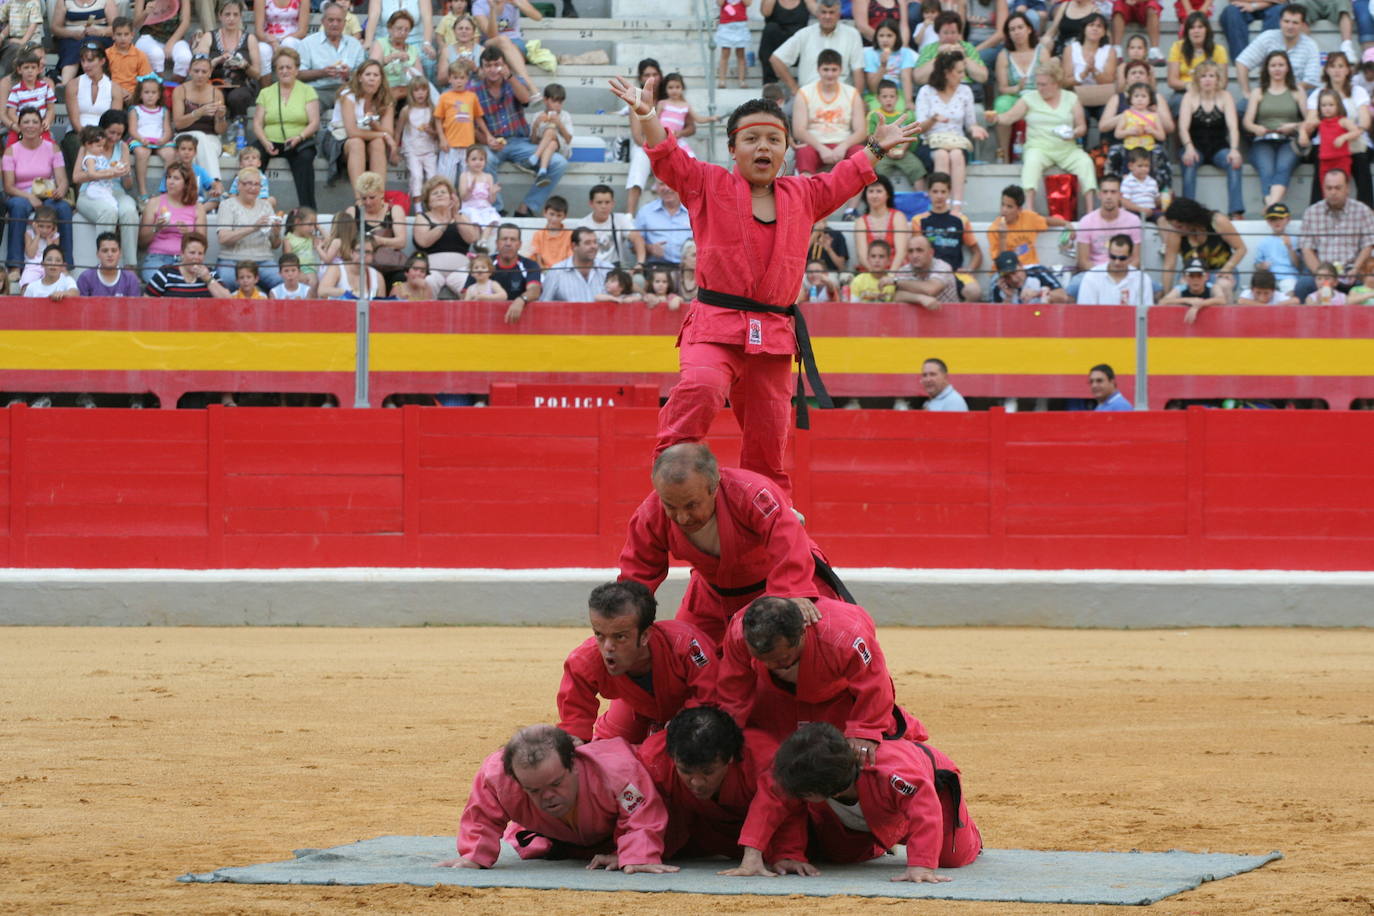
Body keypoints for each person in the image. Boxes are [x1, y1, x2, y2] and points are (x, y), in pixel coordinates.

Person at [608, 75, 921, 497]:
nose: (763, 148)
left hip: (773, 337)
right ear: (732, 149)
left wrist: (877, 148)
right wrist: (646, 114)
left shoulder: (805, 194)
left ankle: (770, 534)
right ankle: (671, 471)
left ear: (787, 150)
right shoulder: (706, 183)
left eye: (774, 140)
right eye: (751, 139)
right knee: (701, 386)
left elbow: (845, 177)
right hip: (716, 323)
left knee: (769, 451)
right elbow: (666, 155)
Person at [619, 442, 846, 646]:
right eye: (671, 506)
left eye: (691, 505)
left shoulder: (751, 493)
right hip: (713, 594)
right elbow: (637, 574)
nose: (682, 518)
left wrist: (793, 592)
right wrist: (625, 619)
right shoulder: (651, 514)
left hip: (783, 580)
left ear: (714, 486)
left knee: (820, 643)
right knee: (685, 652)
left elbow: (788, 540)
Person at [735, 723, 981, 882]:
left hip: (932, 788)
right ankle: (880, 841)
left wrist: (921, 865)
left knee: (951, 859)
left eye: (802, 795)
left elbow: (925, 809)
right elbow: (772, 800)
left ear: (819, 792)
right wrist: (754, 855)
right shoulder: (802, 767)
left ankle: (972, 836)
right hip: (868, 805)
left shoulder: (892, 772)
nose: (795, 798)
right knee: (841, 856)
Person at [439, 725, 677, 873]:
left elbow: (642, 812)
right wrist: (473, 855)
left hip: (625, 828)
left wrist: (636, 855)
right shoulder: (497, 777)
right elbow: (481, 815)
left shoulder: (618, 771)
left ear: (574, 763)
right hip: (557, 835)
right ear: (515, 779)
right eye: (534, 790)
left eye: (555, 784)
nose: (548, 797)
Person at [717, 595, 929, 756]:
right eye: (762, 659)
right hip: (778, 695)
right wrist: (728, 732)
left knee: (869, 744)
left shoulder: (845, 637)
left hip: (837, 693)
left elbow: (874, 681)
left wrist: (865, 730)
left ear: (802, 633)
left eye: (781, 658)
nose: (772, 665)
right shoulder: (739, 632)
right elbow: (734, 688)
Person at [637, 707, 804, 866]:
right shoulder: (653, 757)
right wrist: (635, 851)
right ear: (672, 756)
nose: (697, 783)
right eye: (685, 771)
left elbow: (786, 806)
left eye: (708, 772)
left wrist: (787, 854)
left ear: (731, 757)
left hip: (766, 840)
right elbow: (634, 808)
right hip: (690, 837)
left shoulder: (764, 757)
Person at [557, 580, 718, 744]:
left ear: (645, 636)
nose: (607, 648)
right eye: (599, 634)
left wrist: (682, 723)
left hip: (690, 708)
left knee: (687, 744)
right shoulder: (584, 661)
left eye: (620, 637)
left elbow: (711, 700)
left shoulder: (687, 644)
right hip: (636, 705)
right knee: (607, 750)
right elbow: (574, 726)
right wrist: (575, 740)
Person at [985, 60, 1098, 213]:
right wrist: (996, 118)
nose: (1040, 88)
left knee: (1085, 162)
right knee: (1031, 162)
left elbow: (1082, 126)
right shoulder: (1029, 98)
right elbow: (1009, 117)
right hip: (1039, 147)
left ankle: (1090, 211)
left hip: (1067, 148)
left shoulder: (1071, 98)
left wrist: (1074, 133)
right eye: (1038, 84)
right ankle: (1030, 210)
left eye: (1044, 84)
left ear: (1056, 83)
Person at [473, 47, 566, 218]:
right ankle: (496, 209)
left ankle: (527, 207)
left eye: (497, 65)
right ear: (482, 69)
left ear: (505, 66)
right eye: (488, 66)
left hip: (520, 141)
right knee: (482, 160)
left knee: (558, 163)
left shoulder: (514, 81)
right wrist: (487, 139)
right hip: (493, 144)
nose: (493, 69)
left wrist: (509, 76)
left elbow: (525, 99)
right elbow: (472, 126)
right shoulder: (474, 90)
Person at [4, 109, 74, 282]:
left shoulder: (52, 148)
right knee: (18, 207)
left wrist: (61, 190)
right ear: (19, 126)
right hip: (21, 194)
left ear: (41, 125)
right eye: (26, 122)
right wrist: (29, 197)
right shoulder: (11, 151)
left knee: (63, 207)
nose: (30, 126)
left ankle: (64, 263)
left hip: (47, 193)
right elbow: (8, 186)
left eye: (35, 122)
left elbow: (62, 180)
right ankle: (15, 265)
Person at [916, 51, 986, 211]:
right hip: (931, 142)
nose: (963, 76)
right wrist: (933, 119)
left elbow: (970, 123)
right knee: (941, 154)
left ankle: (956, 207)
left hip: (956, 141)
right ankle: (942, 205)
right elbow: (920, 128)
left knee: (955, 155)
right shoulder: (926, 91)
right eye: (959, 72)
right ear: (947, 73)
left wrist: (975, 129)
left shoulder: (965, 91)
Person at [252, 48, 320, 210]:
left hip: (298, 140)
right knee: (253, 157)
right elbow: (257, 123)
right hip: (269, 140)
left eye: (289, 67)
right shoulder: (266, 92)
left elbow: (315, 122)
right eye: (280, 68)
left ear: (296, 70)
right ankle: (247, 206)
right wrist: (265, 141)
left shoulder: (307, 91)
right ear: (276, 71)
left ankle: (308, 211)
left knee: (305, 159)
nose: (285, 71)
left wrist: (300, 137)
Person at [1242, 50, 1310, 208]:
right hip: (1263, 141)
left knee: (1283, 166)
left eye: (1281, 65)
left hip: (1289, 141)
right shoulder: (1258, 92)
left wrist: (1293, 126)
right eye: (1273, 65)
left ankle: (1270, 207)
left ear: (1287, 68)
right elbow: (1247, 121)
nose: (1277, 69)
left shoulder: (1297, 91)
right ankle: (1274, 208)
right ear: (1267, 69)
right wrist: (1255, 127)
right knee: (1267, 169)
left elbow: (1309, 121)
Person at [1304, 52, 1373, 206]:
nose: (1337, 70)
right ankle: (1316, 208)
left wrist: (1348, 133)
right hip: (1326, 144)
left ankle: (1369, 212)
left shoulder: (1358, 92)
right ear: (1326, 70)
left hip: (1354, 143)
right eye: (1332, 66)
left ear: (1348, 70)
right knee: (1320, 160)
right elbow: (1311, 120)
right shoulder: (1317, 94)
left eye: (1341, 66)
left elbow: (1365, 121)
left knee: (1362, 161)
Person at [1178, 61, 1244, 219]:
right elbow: (1182, 128)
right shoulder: (1189, 97)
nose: (1207, 79)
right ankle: (1188, 210)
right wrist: (1188, 147)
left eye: (1211, 76)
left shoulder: (1226, 96)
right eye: (1203, 76)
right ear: (1197, 80)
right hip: (1194, 146)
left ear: (1218, 79)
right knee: (1189, 162)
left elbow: (1233, 128)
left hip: (1218, 147)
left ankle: (1236, 211)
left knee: (1234, 162)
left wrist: (1234, 149)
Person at [1297, 168, 1374, 300]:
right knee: (1303, 286)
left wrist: (1356, 268)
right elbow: (1307, 249)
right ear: (1323, 189)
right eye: (1329, 188)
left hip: (1354, 270)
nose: (1333, 192)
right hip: (1322, 269)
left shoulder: (1362, 211)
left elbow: (1368, 245)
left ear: (1347, 188)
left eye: (1338, 188)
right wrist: (1322, 276)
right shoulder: (1312, 212)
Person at [793, 49, 866, 178]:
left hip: (843, 143)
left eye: (834, 69)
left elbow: (861, 131)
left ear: (841, 70)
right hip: (814, 144)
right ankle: (808, 197)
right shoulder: (804, 92)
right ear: (818, 69)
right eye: (826, 69)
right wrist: (821, 148)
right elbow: (799, 130)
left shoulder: (852, 93)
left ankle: (853, 199)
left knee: (861, 154)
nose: (830, 74)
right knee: (803, 152)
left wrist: (843, 146)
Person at [1068, 174, 1141, 299]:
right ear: (1099, 195)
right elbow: (1083, 261)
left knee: (1154, 287)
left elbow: (1136, 260)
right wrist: (1105, 276)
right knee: (1072, 288)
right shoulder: (1086, 221)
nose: (1108, 196)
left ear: (1120, 195)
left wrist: (1119, 275)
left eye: (1113, 192)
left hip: (1124, 272)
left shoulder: (1133, 221)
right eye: (1105, 192)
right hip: (1094, 273)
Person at [1159, 197, 1245, 302]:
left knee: (1224, 285)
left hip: (1221, 269)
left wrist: (1227, 268)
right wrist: (1167, 295)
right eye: (1173, 226)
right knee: (1184, 285)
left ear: (1191, 221)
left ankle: (1228, 317)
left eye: (1179, 226)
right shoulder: (1175, 233)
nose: (1176, 229)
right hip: (1192, 273)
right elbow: (1169, 265)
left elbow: (1241, 248)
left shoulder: (1217, 221)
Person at [769, 0, 863, 95]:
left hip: (841, 94)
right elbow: (776, 59)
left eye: (831, 12)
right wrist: (794, 88)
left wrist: (857, 98)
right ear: (817, 14)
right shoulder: (805, 34)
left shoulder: (852, 35)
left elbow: (858, 70)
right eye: (823, 12)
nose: (827, 16)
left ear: (839, 15)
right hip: (808, 95)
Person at [913, 172, 982, 300]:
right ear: (928, 193)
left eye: (943, 192)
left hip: (955, 272)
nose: (939, 196)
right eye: (935, 191)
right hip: (929, 273)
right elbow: (915, 253)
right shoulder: (919, 220)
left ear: (949, 193)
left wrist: (969, 269)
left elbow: (977, 252)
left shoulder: (961, 219)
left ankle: (959, 320)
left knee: (974, 292)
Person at [194, 0, 264, 122]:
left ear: (241, 16)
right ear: (220, 16)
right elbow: (197, 67)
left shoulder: (250, 38)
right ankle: (214, 131)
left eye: (235, 14)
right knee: (216, 96)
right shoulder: (209, 37)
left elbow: (257, 74)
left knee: (237, 97)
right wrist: (216, 61)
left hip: (241, 84)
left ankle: (238, 132)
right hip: (215, 83)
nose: (231, 18)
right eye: (227, 14)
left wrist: (245, 65)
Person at [137, 160, 205, 284]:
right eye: (168, 177)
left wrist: (188, 234)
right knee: (160, 282)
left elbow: (203, 243)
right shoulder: (154, 203)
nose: (170, 182)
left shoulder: (197, 207)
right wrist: (156, 229)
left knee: (182, 283)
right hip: (157, 257)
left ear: (186, 183)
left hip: (186, 259)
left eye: (176, 178)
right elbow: (141, 242)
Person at [333, 61, 397, 191]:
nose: (372, 78)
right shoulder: (348, 96)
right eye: (368, 74)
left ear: (381, 79)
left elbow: (389, 132)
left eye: (376, 75)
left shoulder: (386, 100)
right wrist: (384, 134)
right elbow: (352, 132)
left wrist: (376, 126)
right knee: (357, 142)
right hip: (341, 140)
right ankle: (360, 200)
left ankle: (379, 197)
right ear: (360, 77)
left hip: (370, 138)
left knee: (378, 143)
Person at [216, 166, 282, 290]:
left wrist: (277, 234)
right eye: (248, 184)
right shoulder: (227, 205)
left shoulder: (266, 206)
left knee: (280, 281)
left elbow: (275, 245)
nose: (253, 188)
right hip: (232, 260)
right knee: (227, 281)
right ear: (239, 185)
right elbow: (223, 238)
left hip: (263, 259)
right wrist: (253, 227)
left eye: (257, 184)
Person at [413, 176, 480, 297]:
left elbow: (471, 238)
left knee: (471, 288)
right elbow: (423, 242)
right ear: (428, 201)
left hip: (461, 269)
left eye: (443, 192)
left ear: (451, 197)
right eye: (435, 193)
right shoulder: (422, 217)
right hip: (432, 270)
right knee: (425, 284)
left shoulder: (461, 216)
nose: (439, 195)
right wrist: (444, 223)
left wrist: (455, 214)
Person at [992, 13, 1048, 157]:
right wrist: (1017, 88)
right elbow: (1003, 88)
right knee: (1001, 104)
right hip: (1014, 95)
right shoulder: (1004, 55)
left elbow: (1050, 82)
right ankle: (1003, 154)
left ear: (1029, 29)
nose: (1016, 32)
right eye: (1012, 29)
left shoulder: (1041, 52)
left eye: (1020, 27)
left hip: (1038, 94)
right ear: (1008, 34)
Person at [1235, 5, 1321, 97]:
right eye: (1286, 21)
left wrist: (1284, 92)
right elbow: (1242, 63)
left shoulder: (1310, 45)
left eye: (1295, 23)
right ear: (1280, 21)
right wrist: (1246, 93)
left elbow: (1312, 81)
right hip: (1267, 93)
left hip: (1297, 94)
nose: (1290, 26)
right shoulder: (1268, 38)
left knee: (1314, 96)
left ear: (1303, 25)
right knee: (1241, 108)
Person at [296, 1, 364, 114]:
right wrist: (322, 73)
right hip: (319, 91)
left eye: (339, 20)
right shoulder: (308, 43)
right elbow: (298, 74)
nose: (335, 24)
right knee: (310, 108)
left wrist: (348, 75)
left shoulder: (355, 45)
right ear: (323, 22)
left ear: (344, 23)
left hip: (348, 89)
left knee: (359, 107)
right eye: (331, 20)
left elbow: (363, 75)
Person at [172, 56, 229, 183]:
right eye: (196, 71)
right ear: (190, 71)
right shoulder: (180, 90)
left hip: (211, 139)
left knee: (201, 147)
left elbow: (220, 130)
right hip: (183, 135)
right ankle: (214, 182)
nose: (200, 75)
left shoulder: (217, 94)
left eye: (204, 72)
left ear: (210, 73)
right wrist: (197, 113)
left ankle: (195, 192)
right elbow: (178, 124)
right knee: (198, 138)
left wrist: (220, 117)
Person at [474, 223, 543, 322]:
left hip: (518, 323)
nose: (508, 243)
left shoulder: (530, 265)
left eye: (513, 239)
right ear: (497, 243)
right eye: (504, 239)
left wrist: (521, 300)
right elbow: (466, 294)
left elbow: (535, 290)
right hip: (483, 320)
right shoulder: (482, 263)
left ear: (519, 245)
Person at [434, 57, 487, 181]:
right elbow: (438, 119)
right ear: (450, 79)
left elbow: (478, 117)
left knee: (468, 181)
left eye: (462, 78)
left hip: (468, 146)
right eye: (455, 78)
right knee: (445, 180)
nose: (459, 81)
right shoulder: (444, 97)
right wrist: (442, 139)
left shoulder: (472, 97)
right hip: (450, 145)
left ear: (467, 79)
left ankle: (466, 200)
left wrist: (487, 135)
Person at [912, 12, 990, 95]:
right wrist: (939, 57)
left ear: (958, 33)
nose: (949, 37)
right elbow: (918, 78)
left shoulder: (968, 48)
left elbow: (983, 77)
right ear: (938, 33)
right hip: (936, 90)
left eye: (953, 33)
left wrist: (964, 57)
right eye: (945, 33)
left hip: (965, 89)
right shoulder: (929, 49)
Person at [1167, 13, 1228, 118]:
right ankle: (1181, 133)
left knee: (1225, 100)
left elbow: (1223, 82)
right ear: (1187, 31)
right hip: (1185, 90)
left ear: (1207, 30)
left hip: (1211, 91)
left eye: (1200, 27)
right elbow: (1172, 80)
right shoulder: (1177, 47)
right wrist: (1190, 86)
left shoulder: (1219, 50)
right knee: (1177, 102)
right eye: (1192, 28)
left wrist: (1205, 88)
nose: (1196, 31)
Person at [868, 80, 926, 189]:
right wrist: (885, 151)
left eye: (892, 96)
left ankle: (920, 197)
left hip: (902, 152)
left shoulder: (902, 117)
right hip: (882, 154)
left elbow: (908, 136)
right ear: (878, 98)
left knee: (917, 169)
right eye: (884, 97)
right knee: (878, 173)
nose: (888, 99)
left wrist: (902, 150)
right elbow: (871, 138)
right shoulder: (874, 116)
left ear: (897, 98)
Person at [146, 230, 233, 297]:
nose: (196, 257)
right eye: (192, 253)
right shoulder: (166, 273)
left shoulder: (210, 273)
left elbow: (228, 301)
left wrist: (208, 279)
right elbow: (147, 301)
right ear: (182, 253)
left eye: (200, 253)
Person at [1076, 233, 1153, 306]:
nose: (1117, 262)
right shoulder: (1092, 276)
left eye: (1122, 258)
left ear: (1130, 257)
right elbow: (1086, 312)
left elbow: (1147, 312)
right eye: (1113, 257)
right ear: (1108, 254)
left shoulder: (1143, 279)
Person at [574, 185, 640, 269]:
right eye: (599, 202)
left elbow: (637, 238)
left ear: (613, 203)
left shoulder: (620, 219)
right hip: (591, 268)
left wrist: (640, 263)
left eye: (607, 202)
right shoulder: (582, 224)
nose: (604, 206)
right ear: (591, 204)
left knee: (638, 280)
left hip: (615, 268)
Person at [1062, 13, 1117, 113]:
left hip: (1102, 98)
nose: (1095, 28)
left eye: (1099, 26)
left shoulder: (1110, 51)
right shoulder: (1070, 49)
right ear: (1084, 29)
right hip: (1077, 97)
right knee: (1080, 116)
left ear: (1104, 32)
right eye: (1091, 25)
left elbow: (1109, 80)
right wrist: (1084, 74)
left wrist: (1094, 71)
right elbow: (1066, 82)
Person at [541, 226, 612, 302]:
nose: (593, 246)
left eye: (595, 242)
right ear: (574, 246)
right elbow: (544, 304)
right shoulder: (556, 272)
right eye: (587, 243)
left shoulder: (608, 270)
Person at [634, 179, 693, 269]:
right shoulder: (645, 212)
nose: (667, 188)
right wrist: (649, 248)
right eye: (662, 184)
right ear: (656, 187)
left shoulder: (694, 211)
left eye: (671, 183)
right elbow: (632, 245)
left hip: (690, 267)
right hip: (658, 268)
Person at [854, 176, 909, 271]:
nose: (874, 196)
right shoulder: (860, 222)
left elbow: (901, 252)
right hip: (869, 272)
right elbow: (862, 256)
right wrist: (876, 275)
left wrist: (890, 275)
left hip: (897, 271)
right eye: (871, 191)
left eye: (879, 191)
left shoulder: (898, 217)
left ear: (888, 194)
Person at [894, 234, 958, 309]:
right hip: (918, 319)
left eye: (919, 250)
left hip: (949, 317)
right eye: (910, 251)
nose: (914, 255)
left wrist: (896, 281)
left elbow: (931, 289)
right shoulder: (904, 270)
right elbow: (897, 296)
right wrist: (919, 298)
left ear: (931, 252)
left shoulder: (943, 267)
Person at [132, 0, 192, 81]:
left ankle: (173, 87)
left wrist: (171, 43)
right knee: (156, 55)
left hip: (175, 37)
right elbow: (135, 24)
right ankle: (158, 86)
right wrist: (146, 12)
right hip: (149, 36)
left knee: (185, 58)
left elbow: (185, 22)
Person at [759, 0, 814, 86]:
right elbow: (766, 12)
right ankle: (769, 82)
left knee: (809, 33)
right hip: (776, 49)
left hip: (798, 47)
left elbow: (818, 12)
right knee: (770, 29)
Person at [1251, 201, 1301, 296]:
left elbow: (1298, 265)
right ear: (1268, 221)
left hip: (1288, 276)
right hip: (1268, 277)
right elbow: (1256, 264)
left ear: (1288, 219)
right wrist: (1261, 266)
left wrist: (1290, 248)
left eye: (1280, 218)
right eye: (1273, 219)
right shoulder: (1264, 242)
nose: (1277, 222)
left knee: (1290, 289)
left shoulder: (1294, 239)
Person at [1159, 257, 1227, 322]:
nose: (1195, 279)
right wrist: (1189, 300)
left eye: (1199, 275)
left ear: (1206, 276)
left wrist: (1198, 305)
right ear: (1185, 277)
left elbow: (1222, 300)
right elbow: (1162, 302)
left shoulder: (1213, 287)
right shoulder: (1180, 289)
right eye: (1191, 275)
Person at [77, 232, 143, 296]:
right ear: (97, 254)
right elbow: (80, 306)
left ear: (120, 253)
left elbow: (134, 307)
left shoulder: (130, 279)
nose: (110, 254)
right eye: (105, 251)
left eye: (114, 250)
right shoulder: (85, 278)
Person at [1219, 0, 1285, 62]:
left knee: (1279, 10)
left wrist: (1255, 6)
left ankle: (1270, 62)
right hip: (1244, 6)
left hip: (1272, 6)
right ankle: (1242, 62)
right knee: (1231, 11)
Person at [522, 195, 573, 269]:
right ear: (545, 213)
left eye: (559, 215)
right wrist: (542, 270)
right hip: (544, 271)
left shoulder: (570, 234)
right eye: (551, 214)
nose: (554, 219)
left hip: (563, 270)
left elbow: (570, 257)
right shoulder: (539, 234)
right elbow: (537, 256)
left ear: (564, 216)